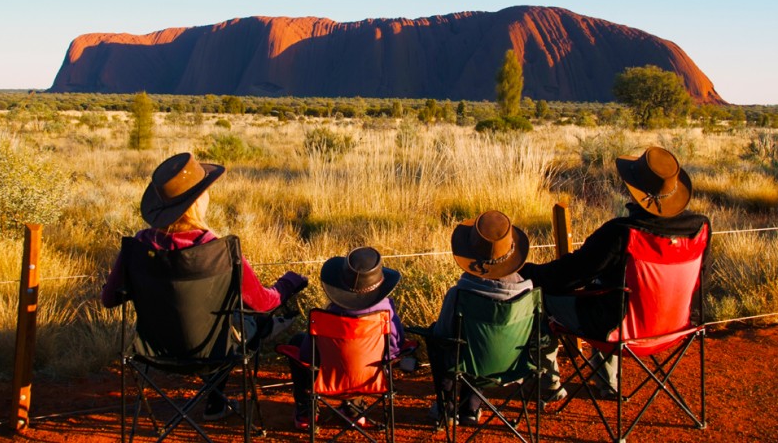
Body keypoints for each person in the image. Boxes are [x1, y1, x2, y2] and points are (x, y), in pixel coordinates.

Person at [101, 152, 308, 421]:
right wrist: (289, 283)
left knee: (223, 323)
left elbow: (109, 299)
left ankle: (217, 399)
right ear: (198, 201)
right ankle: (221, 392)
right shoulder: (219, 249)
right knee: (242, 325)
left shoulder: (138, 247)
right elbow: (262, 302)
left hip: (155, 350)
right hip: (212, 349)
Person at [519, 146, 711, 397]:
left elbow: (570, 274)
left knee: (541, 300)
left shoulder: (622, 233)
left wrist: (526, 272)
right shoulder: (698, 229)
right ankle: (608, 384)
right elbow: (700, 280)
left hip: (620, 329)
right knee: (609, 291)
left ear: (634, 190)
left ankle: (546, 384)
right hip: (676, 326)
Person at [427, 209, 540, 426]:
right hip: (511, 364)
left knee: (441, 341)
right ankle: (471, 407)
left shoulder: (460, 294)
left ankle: (447, 410)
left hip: (469, 361)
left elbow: (443, 334)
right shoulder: (527, 293)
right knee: (480, 341)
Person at [285, 246, 407, 430]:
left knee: (298, 341)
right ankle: (353, 409)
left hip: (332, 377)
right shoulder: (386, 311)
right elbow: (395, 346)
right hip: (372, 377)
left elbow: (307, 354)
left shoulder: (329, 316)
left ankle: (306, 413)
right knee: (361, 354)